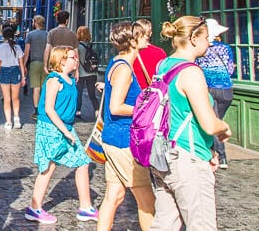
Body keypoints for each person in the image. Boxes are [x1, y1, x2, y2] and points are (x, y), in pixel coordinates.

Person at [150, 17, 232, 231]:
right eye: (206, 37)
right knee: (202, 225)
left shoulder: (163, 65)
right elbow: (209, 124)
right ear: (194, 39)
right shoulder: (191, 73)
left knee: (164, 224)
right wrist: (224, 128)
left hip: (163, 154)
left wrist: (210, 150)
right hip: (188, 158)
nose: (210, 43)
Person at [25, 46, 98, 224]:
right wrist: (66, 132)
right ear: (61, 60)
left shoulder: (71, 79)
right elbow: (49, 109)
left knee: (82, 163)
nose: (76, 60)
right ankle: (35, 208)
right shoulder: (54, 80)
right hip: (52, 128)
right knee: (48, 168)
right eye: (73, 57)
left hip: (65, 127)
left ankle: (86, 207)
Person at [97, 22, 155, 231]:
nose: (147, 37)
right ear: (132, 41)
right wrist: (145, 107)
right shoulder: (123, 69)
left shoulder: (118, 62)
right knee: (147, 201)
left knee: (115, 195)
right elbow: (116, 107)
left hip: (114, 137)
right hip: (125, 141)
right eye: (142, 35)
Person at [195, 18, 235, 169]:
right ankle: (218, 154)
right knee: (217, 119)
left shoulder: (202, 50)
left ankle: (219, 155)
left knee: (213, 119)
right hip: (226, 89)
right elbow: (230, 70)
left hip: (208, 88)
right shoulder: (225, 48)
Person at [0, 26, 26, 131]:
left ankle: (8, 122)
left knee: (6, 99)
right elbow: (21, 64)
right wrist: (23, 77)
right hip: (15, 71)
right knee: (15, 98)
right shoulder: (18, 47)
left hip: (4, 71)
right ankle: (17, 118)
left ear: (3, 36)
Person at [25, 15, 48, 120]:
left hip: (34, 63)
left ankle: (37, 110)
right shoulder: (48, 34)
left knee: (36, 88)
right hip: (45, 63)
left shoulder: (30, 35)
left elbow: (27, 51)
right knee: (45, 88)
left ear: (35, 23)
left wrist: (24, 64)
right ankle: (45, 109)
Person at [132, 19, 167, 90]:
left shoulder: (131, 52)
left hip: (135, 92)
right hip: (153, 94)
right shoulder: (159, 52)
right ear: (150, 33)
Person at [75, 26, 100, 119]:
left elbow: (76, 60)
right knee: (92, 94)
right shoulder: (92, 46)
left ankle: (78, 112)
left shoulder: (77, 47)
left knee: (79, 93)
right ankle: (97, 111)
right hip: (92, 73)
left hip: (81, 73)